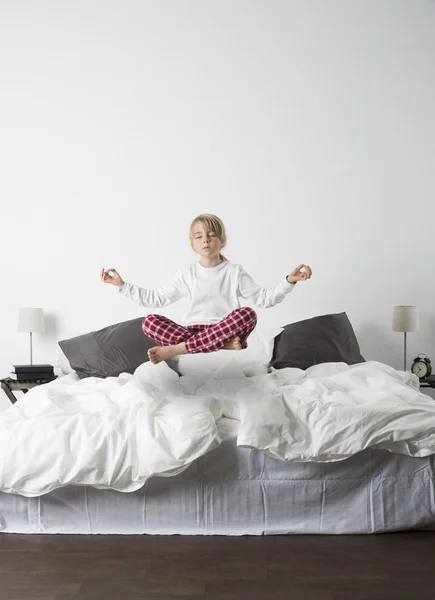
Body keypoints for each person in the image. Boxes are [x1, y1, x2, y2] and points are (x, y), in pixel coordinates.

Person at [101, 214, 312, 365]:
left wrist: (289, 281)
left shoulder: (234, 272)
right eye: (199, 236)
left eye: (211, 235)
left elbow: (264, 299)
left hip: (225, 328)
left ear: (222, 241)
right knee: (149, 322)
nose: (206, 240)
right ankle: (221, 345)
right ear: (193, 244)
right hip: (191, 332)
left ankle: (178, 349)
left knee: (248, 314)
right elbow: (156, 299)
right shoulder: (187, 273)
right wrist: (122, 285)